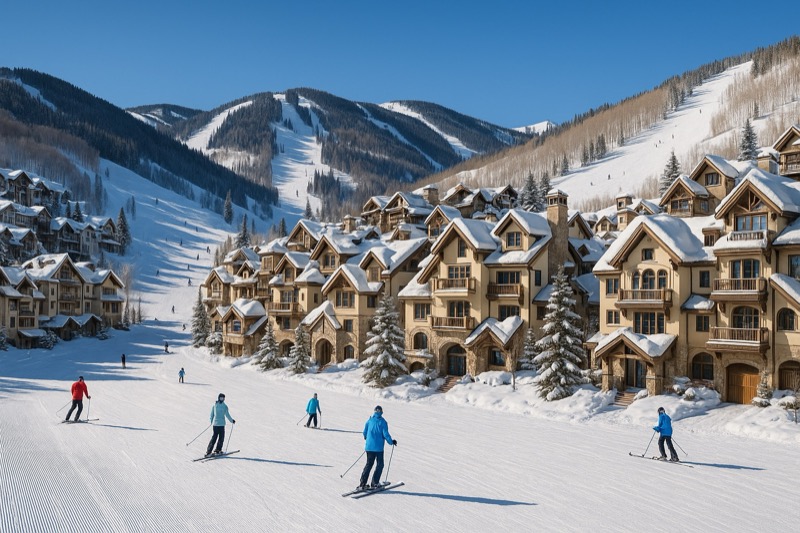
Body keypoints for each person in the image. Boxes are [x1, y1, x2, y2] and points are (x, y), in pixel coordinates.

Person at [358, 405, 397, 490]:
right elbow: (385, 434)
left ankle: (362, 483)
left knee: (369, 465)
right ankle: (375, 482)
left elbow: (364, 432)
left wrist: (366, 438)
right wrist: (391, 442)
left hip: (369, 447)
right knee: (380, 465)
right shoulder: (383, 422)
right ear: (381, 412)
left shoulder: (369, 420)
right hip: (378, 448)